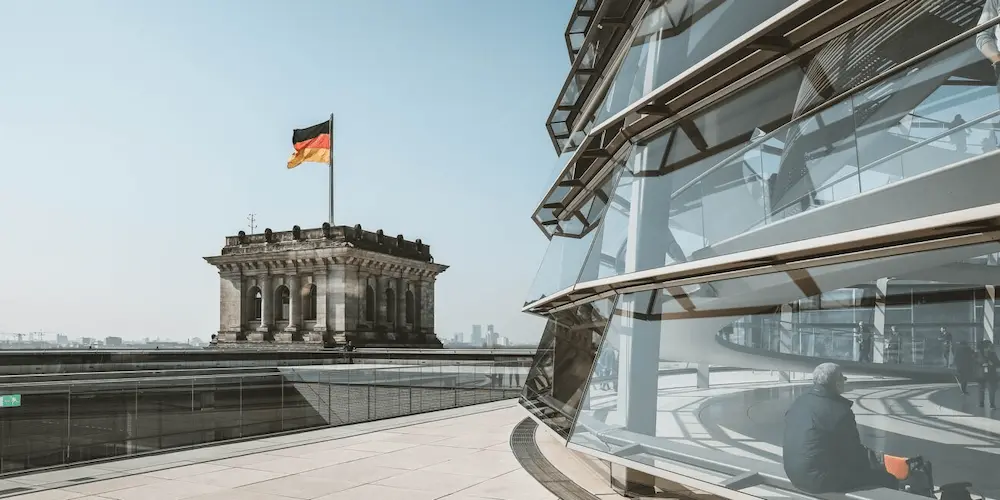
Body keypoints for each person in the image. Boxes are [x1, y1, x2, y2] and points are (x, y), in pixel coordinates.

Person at [783, 363, 899, 494]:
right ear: (837, 383)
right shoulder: (841, 412)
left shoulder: (799, 401)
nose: (845, 382)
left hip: (793, 473)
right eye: (843, 378)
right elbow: (854, 453)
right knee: (887, 479)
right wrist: (877, 463)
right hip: (819, 480)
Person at [975, 339, 999, 409]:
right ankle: (992, 405)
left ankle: (981, 403)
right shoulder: (992, 353)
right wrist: (992, 363)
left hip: (981, 374)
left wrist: (981, 364)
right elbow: (998, 363)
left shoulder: (978, 354)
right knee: (991, 390)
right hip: (990, 374)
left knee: (981, 389)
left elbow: (975, 362)